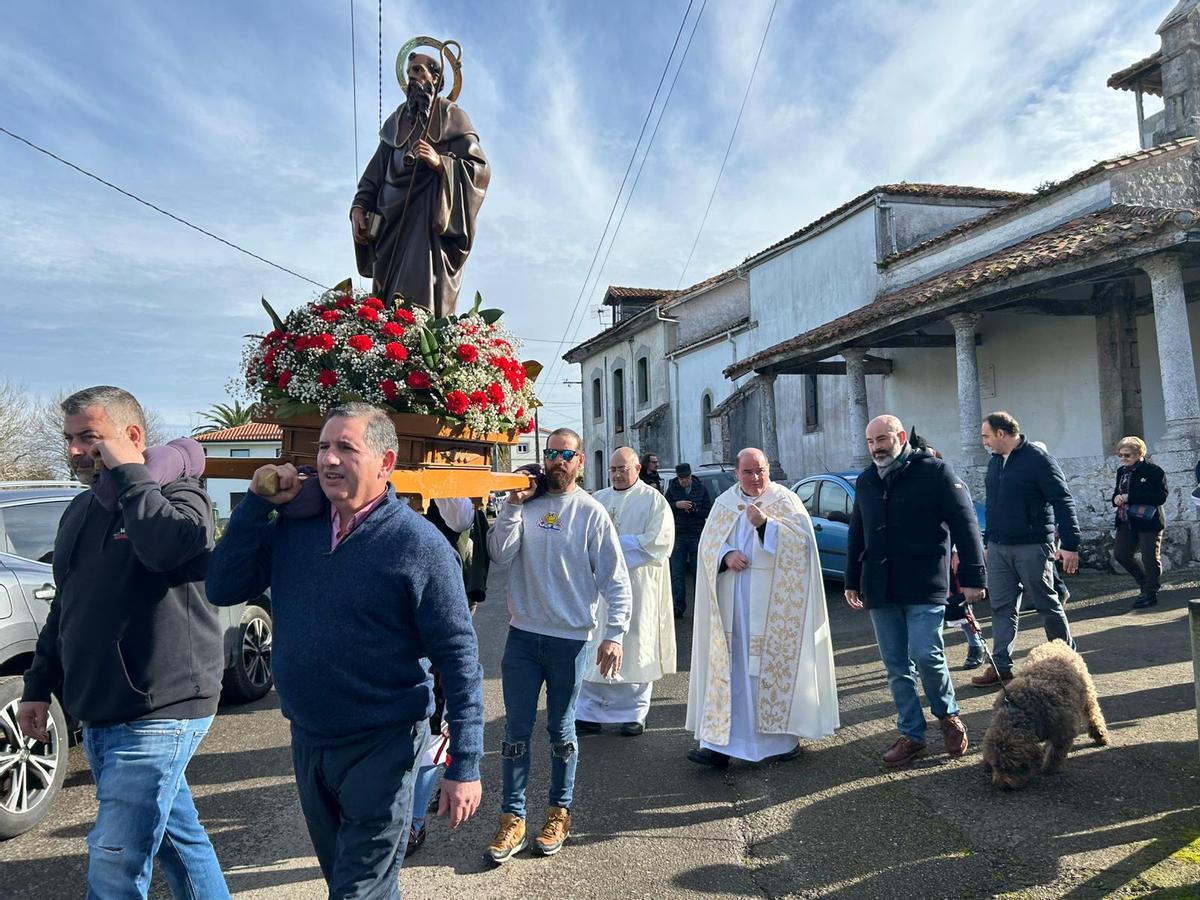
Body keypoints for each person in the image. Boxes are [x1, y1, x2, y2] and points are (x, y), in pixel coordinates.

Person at [206, 403, 484, 898]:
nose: (329, 460)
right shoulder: (295, 531)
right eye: (323, 447)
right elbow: (222, 585)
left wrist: (465, 764)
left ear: (386, 462)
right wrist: (255, 502)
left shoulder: (418, 545)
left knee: (358, 891)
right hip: (309, 738)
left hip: (385, 742)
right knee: (353, 882)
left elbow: (459, 659)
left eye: (346, 448)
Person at [17, 386, 230, 899]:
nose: (73, 451)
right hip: (101, 709)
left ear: (131, 437)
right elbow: (66, 606)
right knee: (180, 846)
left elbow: (163, 550)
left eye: (89, 438)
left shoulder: (184, 497)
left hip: (162, 706)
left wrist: (131, 473)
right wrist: (37, 687)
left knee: (115, 860)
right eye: (68, 438)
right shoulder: (79, 512)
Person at [485, 429, 632, 863]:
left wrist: (615, 634)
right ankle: (512, 818)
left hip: (571, 641)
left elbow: (616, 579)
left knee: (561, 730)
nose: (556, 460)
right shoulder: (525, 506)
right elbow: (499, 554)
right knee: (515, 731)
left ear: (580, 461)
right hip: (523, 637)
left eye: (565, 454)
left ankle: (558, 812)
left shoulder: (591, 513)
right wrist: (513, 506)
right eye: (551, 453)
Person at [844, 416, 985, 767]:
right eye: (870, 441)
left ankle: (948, 715)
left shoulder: (935, 472)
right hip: (880, 586)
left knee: (926, 654)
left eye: (882, 438)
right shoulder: (865, 481)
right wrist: (851, 579)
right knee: (895, 666)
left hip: (924, 583)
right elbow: (856, 532)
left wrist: (972, 574)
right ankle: (912, 735)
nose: (876, 447)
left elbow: (966, 524)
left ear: (901, 437)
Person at [685, 448, 839, 768]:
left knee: (765, 671)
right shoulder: (725, 503)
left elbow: (803, 548)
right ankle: (718, 745)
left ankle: (780, 740)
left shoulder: (785, 501)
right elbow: (707, 545)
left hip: (771, 607)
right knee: (729, 670)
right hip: (731, 604)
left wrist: (765, 524)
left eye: (761, 471)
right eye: (748, 472)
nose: (755, 479)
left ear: (769, 470)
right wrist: (726, 555)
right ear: (736, 474)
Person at [351, 51, 489, 316]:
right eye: (411, 72)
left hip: (427, 223)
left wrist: (441, 164)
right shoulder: (395, 123)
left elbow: (479, 170)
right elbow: (374, 175)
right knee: (386, 302)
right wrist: (359, 207)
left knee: (418, 296)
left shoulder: (452, 117)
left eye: (420, 71)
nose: (414, 77)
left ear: (436, 80)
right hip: (389, 224)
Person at [974, 411, 1080, 688]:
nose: (983, 442)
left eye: (986, 436)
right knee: (1001, 606)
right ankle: (1000, 666)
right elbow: (994, 506)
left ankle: (1067, 662)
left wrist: (1070, 544)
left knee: (1047, 604)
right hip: (999, 547)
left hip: (1033, 546)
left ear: (1001, 433)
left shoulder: (1038, 459)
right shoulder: (995, 462)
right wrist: (988, 544)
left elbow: (1062, 500)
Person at [576, 447, 676, 736]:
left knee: (635, 644)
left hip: (639, 586)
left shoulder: (653, 501)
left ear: (637, 469)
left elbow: (659, 542)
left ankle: (635, 713)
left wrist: (613, 547)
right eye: (614, 469)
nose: (618, 474)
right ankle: (588, 713)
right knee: (596, 639)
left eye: (624, 468)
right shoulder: (598, 500)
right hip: (601, 589)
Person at [1111, 436, 1169, 608]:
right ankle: (1144, 581)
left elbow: (1160, 497)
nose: (1123, 459)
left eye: (1127, 455)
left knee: (1149, 557)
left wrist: (1131, 497)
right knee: (1121, 554)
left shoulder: (1154, 471)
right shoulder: (1122, 471)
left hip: (1148, 521)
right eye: (1121, 455)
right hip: (1126, 519)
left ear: (1139, 453)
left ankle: (1151, 592)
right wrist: (1115, 499)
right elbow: (1117, 491)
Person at [665, 462, 711, 618]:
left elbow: (707, 510)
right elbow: (665, 509)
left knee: (698, 572)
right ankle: (678, 607)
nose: (685, 481)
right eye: (681, 479)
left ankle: (700, 606)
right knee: (678, 573)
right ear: (677, 478)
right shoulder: (672, 490)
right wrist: (676, 505)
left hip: (696, 534)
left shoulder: (701, 489)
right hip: (678, 535)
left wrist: (694, 509)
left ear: (691, 475)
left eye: (687, 478)